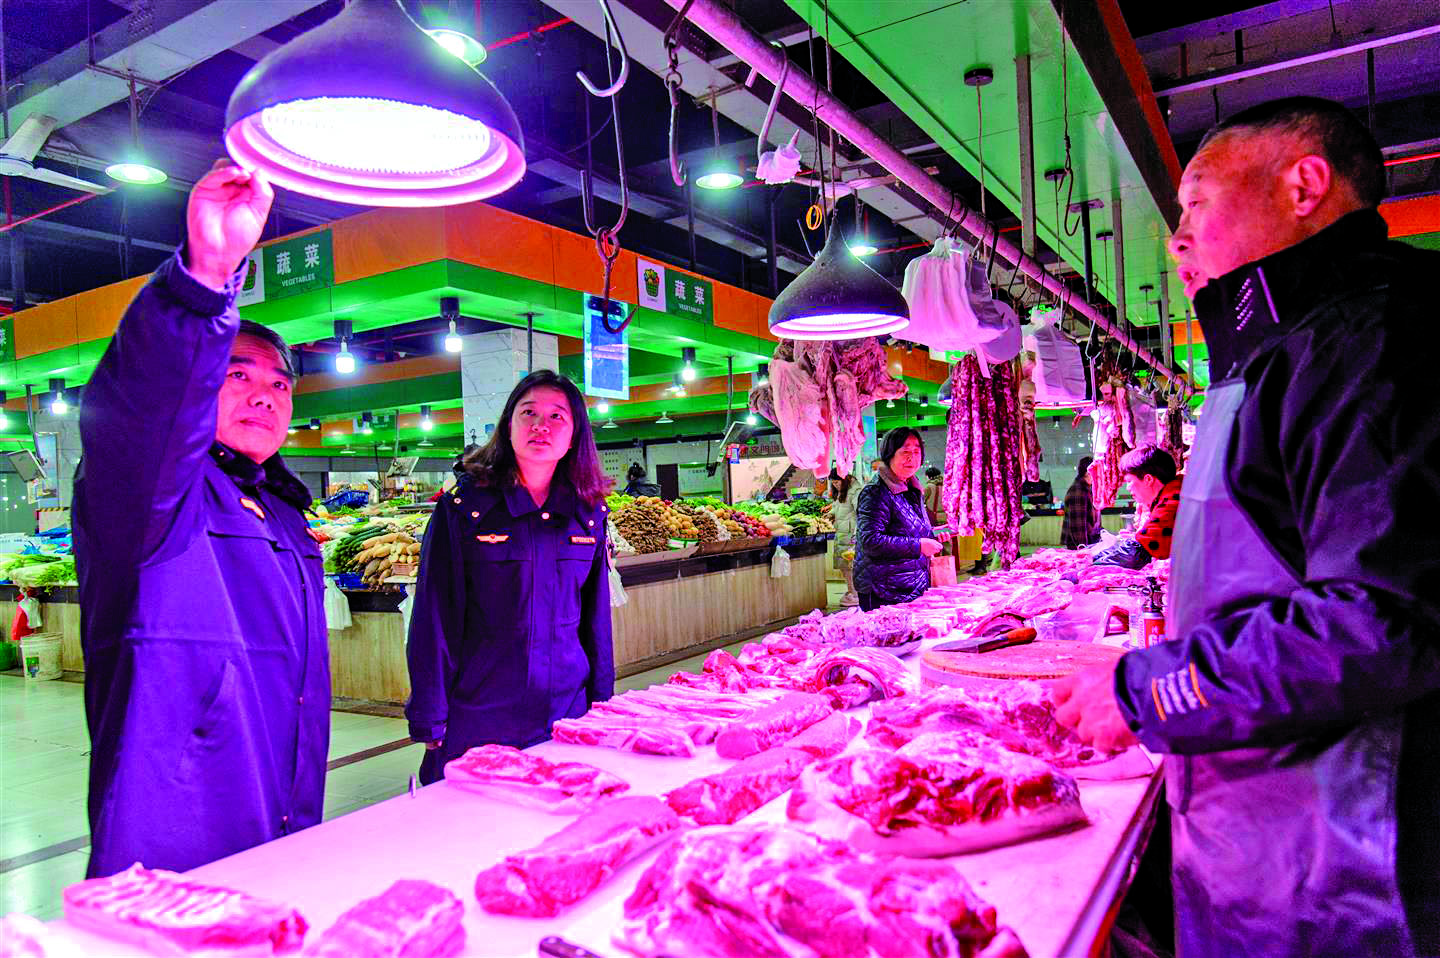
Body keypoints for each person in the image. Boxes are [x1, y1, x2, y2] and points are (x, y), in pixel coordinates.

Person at [1054, 97, 1440, 957]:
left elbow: (1383, 620)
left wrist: (1149, 690)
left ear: (1304, 184)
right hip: (1271, 836)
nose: (1177, 239)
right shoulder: (1284, 349)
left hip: (1358, 864)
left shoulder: (1375, 336)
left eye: (1196, 201)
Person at [74, 162, 329, 878]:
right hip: (173, 832)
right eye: (237, 375)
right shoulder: (158, 491)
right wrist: (204, 280)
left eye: (279, 384)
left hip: (283, 810)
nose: (264, 396)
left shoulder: (285, 513)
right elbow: (141, 408)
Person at [406, 370, 615, 784]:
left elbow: (596, 622)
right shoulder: (465, 509)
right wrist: (429, 714)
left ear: (574, 435)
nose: (541, 425)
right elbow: (433, 617)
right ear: (508, 425)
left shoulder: (588, 514)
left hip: (565, 711)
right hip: (480, 714)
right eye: (528, 413)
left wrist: (603, 701)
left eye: (557, 416)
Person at [852, 428, 943, 611]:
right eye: (905, 451)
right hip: (883, 589)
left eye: (916, 451)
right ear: (889, 455)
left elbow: (905, 530)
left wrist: (932, 536)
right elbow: (871, 541)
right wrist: (919, 545)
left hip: (909, 584)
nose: (912, 457)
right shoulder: (876, 492)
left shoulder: (912, 487)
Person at [1091, 445, 1183, 569]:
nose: (1128, 488)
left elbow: (1136, 553)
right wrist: (1095, 557)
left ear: (1148, 479)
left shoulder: (1172, 501)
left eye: (1129, 481)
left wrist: (1087, 566)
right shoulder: (1174, 492)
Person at [827, 471, 858, 607]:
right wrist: (831, 513)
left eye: (837, 482)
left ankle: (855, 593)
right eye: (833, 483)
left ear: (844, 479)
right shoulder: (842, 491)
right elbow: (839, 507)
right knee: (844, 566)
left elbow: (860, 512)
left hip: (851, 535)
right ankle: (851, 591)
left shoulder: (855, 491)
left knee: (850, 566)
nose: (835, 485)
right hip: (841, 533)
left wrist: (856, 534)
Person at [1060, 456, 1100, 549]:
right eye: (1097, 473)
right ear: (1088, 472)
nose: (1099, 476)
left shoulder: (1087, 488)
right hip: (1078, 545)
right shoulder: (1078, 491)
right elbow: (1078, 526)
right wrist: (1083, 549)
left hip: (1088, 541)